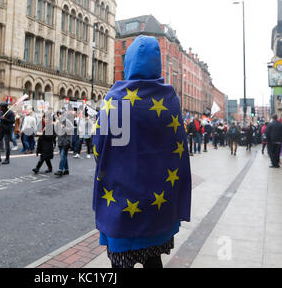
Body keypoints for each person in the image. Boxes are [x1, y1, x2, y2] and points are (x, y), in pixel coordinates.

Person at [93, 36, 191, 269]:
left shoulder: (114, 100)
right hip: (158, 205)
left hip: (121, 204)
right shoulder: (170, 99)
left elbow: (99, 146)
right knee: (153, 260)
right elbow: (178, 148)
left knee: (120, 264)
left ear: (129, 63)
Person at [55, 111, 73, 177]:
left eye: (60, 114)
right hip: (60, 141)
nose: (59, 116)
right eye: (58, 114)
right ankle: (66, 170)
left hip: (66, 142)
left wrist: (64, 127)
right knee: (64, 156)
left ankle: (60, 170)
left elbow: (72, 130)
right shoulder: (58, 122)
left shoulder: (67, 121)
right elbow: (57, 132)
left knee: (63, 156)